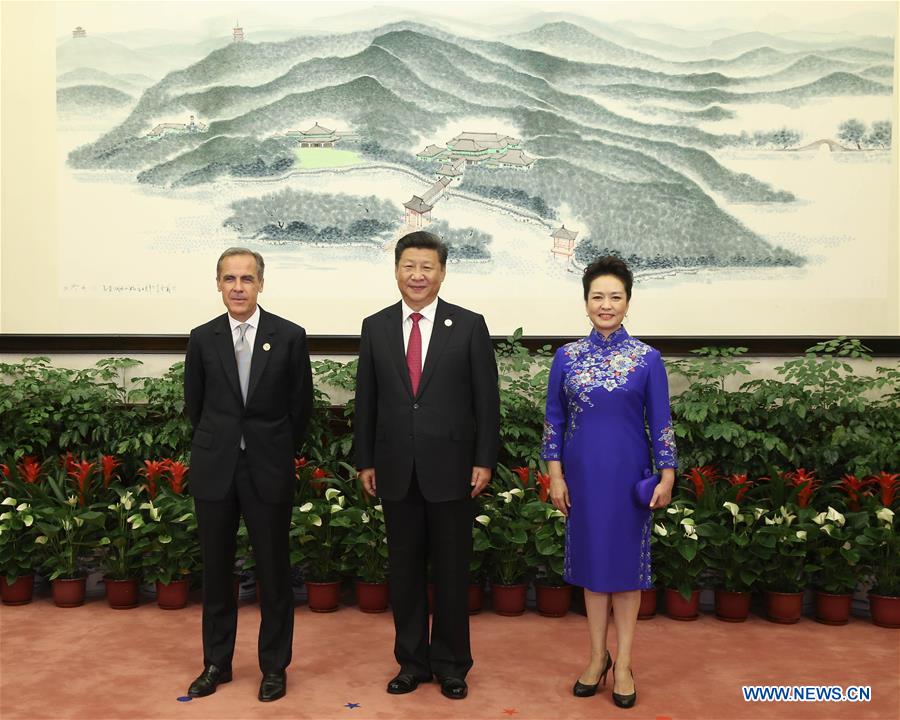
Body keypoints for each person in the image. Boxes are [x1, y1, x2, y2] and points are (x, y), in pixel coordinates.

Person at [354, 231, 500, 700]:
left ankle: (453, 664)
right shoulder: (375, 326)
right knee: (404, 571)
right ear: (396, 270)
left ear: (442, 271)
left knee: (453, 573)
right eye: (409, 266)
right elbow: (367, 402)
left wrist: (484, 460)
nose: (417, 275)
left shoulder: (470, 325)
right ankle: (412, 662)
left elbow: (487, 402)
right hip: (395, 467)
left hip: (454, 469)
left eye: (427, 267)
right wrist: (365, 461)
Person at [542, 255, 677, 709]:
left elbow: (662, 422)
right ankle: (596, 657)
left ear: (627, 302)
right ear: (585, 303)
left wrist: (668, 475)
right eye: (597, 296)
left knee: (625, 574)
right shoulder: (566, 358)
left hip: (628, 478)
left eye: (614, 297)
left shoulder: (647, 359)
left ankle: (624, 663)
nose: (606, 304)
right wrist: (555, 477)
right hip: (581, 478)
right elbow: (553, 423)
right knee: (593, 572)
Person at [183, 247, 313, 703]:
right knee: (216, 572)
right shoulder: (202, 338)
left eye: (247, 279)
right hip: (216, 469)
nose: (238, 287)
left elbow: (301, 408)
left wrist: (271, 448)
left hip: (268, 467)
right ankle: (216, 664)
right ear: (218, 284)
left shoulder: (290, 336)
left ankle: (274, 668)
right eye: (229, 279)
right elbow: (195, 407)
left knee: (274, 573)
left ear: (261, 284)